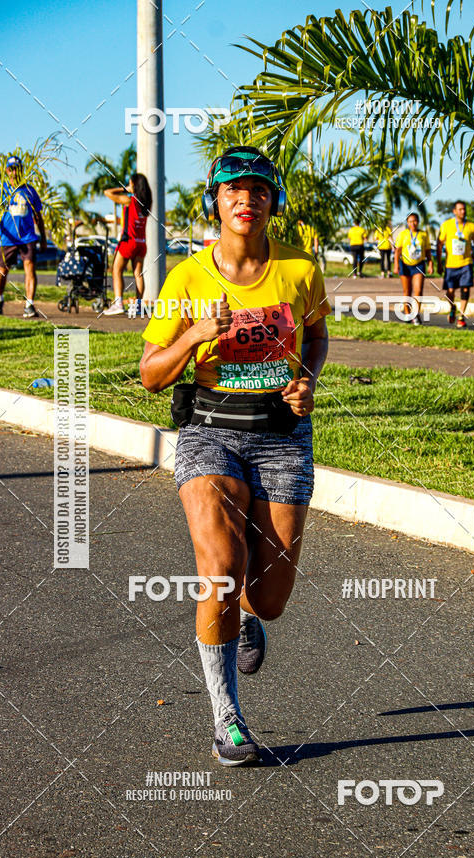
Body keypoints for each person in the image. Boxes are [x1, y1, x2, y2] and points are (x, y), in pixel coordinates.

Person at [139, 146, 331, 766]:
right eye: (232, 191)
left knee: (268, 597)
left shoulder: (301, 271)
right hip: (209, 432)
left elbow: (319, 335)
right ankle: (228, 720)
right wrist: (195, 335)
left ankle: (251, 620)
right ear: (215, 203)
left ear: (272, 202)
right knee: (221, 564)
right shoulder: (187, 278)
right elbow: (150, 374)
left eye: (257, 190)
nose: (245, 200)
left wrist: (308, 379)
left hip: (281, 438)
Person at [0, 155, 46, 318]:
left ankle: (29, 304)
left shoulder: (29, 191)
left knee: (30, 269)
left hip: (27, 237)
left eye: (18, 169)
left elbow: (38, 216)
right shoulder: (0, 190)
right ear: (7, 171)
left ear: (22, 170)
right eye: (11, 169)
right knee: (2, 271)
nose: (14, 172)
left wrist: (42, 238)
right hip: (8, 238)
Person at [103, 173, 152, 316]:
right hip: (141, 243)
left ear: (134, 184)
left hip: (128, 241)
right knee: (138, 273)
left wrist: (125, 189)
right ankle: (138, 305)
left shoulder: (130, 200)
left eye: (131, 183)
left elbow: (108, 192)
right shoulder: (146, 203)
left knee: (116, 270)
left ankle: (118, 303)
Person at [437, 200, 474, 328]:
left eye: (464, 209)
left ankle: (461, 316)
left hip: (466, 263)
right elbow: (439, 244)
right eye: (460, 209)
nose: (463, 211)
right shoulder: (446, 225)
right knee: (450, 291)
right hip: (451, 265)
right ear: (454, 211)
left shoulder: (471, 227)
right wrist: (439, 264)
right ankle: (452, 307)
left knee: (465, 289)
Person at [393, 212, 433, 325]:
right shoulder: (403, 234)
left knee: (418, 290)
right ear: (407, 223)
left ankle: (415, 315)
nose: (413, 223)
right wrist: (396, 265)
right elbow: (397, 251)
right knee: (407, 291)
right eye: (410, 221)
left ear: (418, 222)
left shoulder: (423, 235)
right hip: (405, 265)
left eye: (415, 221)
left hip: (419, 265)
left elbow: (428, 251)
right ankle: (407, 314)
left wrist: (431, 263)